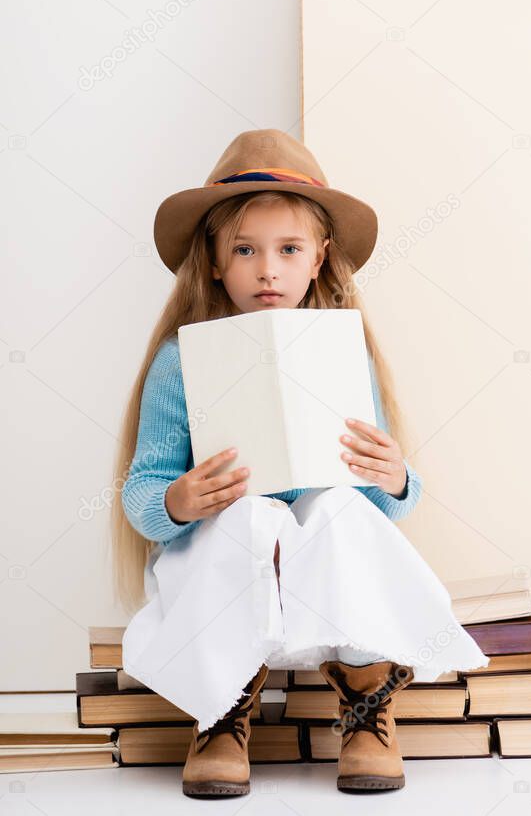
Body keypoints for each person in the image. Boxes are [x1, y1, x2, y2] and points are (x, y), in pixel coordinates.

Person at [111, 128, 489, 798]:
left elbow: (378, 506)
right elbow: (142, 485)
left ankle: (367, 701)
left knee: (338, 504)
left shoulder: (343, 355)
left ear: (319, 258)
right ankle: (223, 708)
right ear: (215, 261)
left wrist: (394, 477)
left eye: (288, 249)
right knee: (249, 514)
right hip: (225, 566)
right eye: (245, 250)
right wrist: (176, 500)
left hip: (317, 576)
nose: (267, 270)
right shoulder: (181, 360)